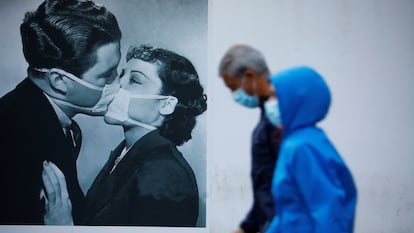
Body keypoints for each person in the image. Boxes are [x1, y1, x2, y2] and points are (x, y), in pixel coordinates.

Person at [43, 45, 207, 226]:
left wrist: (64, 228)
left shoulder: (165, 173)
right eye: (121, 76)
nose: (117, 85)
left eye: (135, 80)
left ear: (166, 105)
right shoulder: (125, 154)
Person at [0, 0, 122, 224]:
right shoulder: (11, 134)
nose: (119, 84)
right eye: (107, 75)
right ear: (59, 81)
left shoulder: (49, 119)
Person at [262, 66, 357, 232]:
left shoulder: (302, 147)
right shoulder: (299, 141)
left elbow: (328, 213)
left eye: (275, 96)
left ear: (295, 100)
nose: (269, 103)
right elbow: (289, 213)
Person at [218, 44, 281, 233]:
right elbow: (267, 188)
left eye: (233, 87)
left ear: (250, 77)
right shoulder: (267, 120)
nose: (234, 95)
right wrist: (247, 227)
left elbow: (289, 189)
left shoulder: (279, 121)